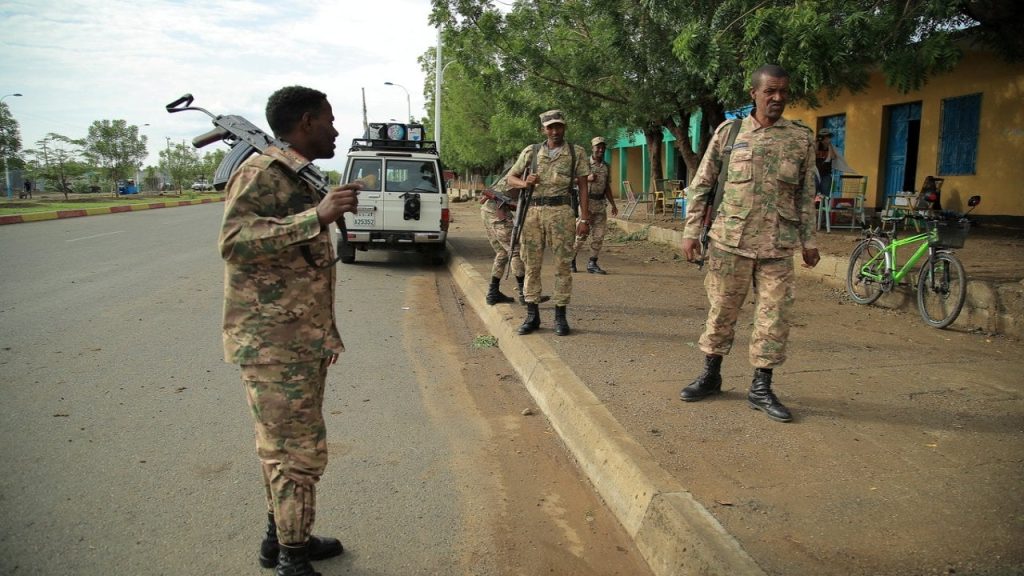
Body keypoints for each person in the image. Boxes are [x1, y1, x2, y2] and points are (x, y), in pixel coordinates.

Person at [219, 85, 361, 576]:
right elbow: (235, 240)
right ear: (305, 122)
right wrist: (315, 217)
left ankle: (280, 540)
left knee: (284, 451)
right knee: (296, 452)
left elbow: (303, 266)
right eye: (329, 119)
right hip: (273, 344)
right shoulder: (261, 172)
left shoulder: (300, 176)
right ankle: (292, 562)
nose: (336, 129)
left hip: (298, 340)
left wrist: (323, 336)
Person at [679, 64, 820, 423]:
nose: (777, 98)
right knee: (722, 312)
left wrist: (809, 240)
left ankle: (761, 387)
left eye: (783, 92)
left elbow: (806, 194)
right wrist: (691, 231)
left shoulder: (800, 138)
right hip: (730, 242)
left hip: (778, 245)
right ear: (753, 94)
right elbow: (702, 184)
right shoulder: (730, 133)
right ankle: (711, 375)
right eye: (770, 91)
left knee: (774, 319)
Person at [506, 109, 591, 336]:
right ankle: (532, 316)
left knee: (563, 265)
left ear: (564, 127)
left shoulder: (576, 152)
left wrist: (584, 217)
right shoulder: (531, 152)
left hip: (562, 212)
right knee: (531, 264)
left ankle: (560, 317)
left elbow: (583, 185)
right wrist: (525, 183)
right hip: (532, 213)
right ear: (543, 129)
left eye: (558, 126)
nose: (555, 131)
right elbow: (510, 177)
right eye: (550, 127)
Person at [571, 136, 619, 274]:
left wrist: (613, 204)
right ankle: (571, 260)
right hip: (586, 204)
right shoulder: (584, 163)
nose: (600, 149)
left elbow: (607, 187)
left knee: (599, 236)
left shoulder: (606, 166)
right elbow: (572, 180)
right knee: (581, 235)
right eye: (598, 147)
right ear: (592, 148)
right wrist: (587, 179)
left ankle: (592, 263)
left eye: (603, 147)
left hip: (600, 204)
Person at [479, 175, 524, 305]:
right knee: (515, 251)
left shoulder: (514, 172)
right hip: (498, 213)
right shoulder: (522, 174)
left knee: (502, 253)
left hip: (488, 212)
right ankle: (524, 294)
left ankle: (493, 292)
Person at [815, 129, 835, 197]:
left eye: (828, 137)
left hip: (826, 174)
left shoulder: (830, 147)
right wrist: (817, 141)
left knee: (825, 195)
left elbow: (832, 156)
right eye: (824, 137)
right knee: (812, 194)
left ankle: (824, 206)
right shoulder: (816, 145)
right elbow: (814, 153)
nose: (826, 139)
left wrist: (829, 144)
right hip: (815, 174)